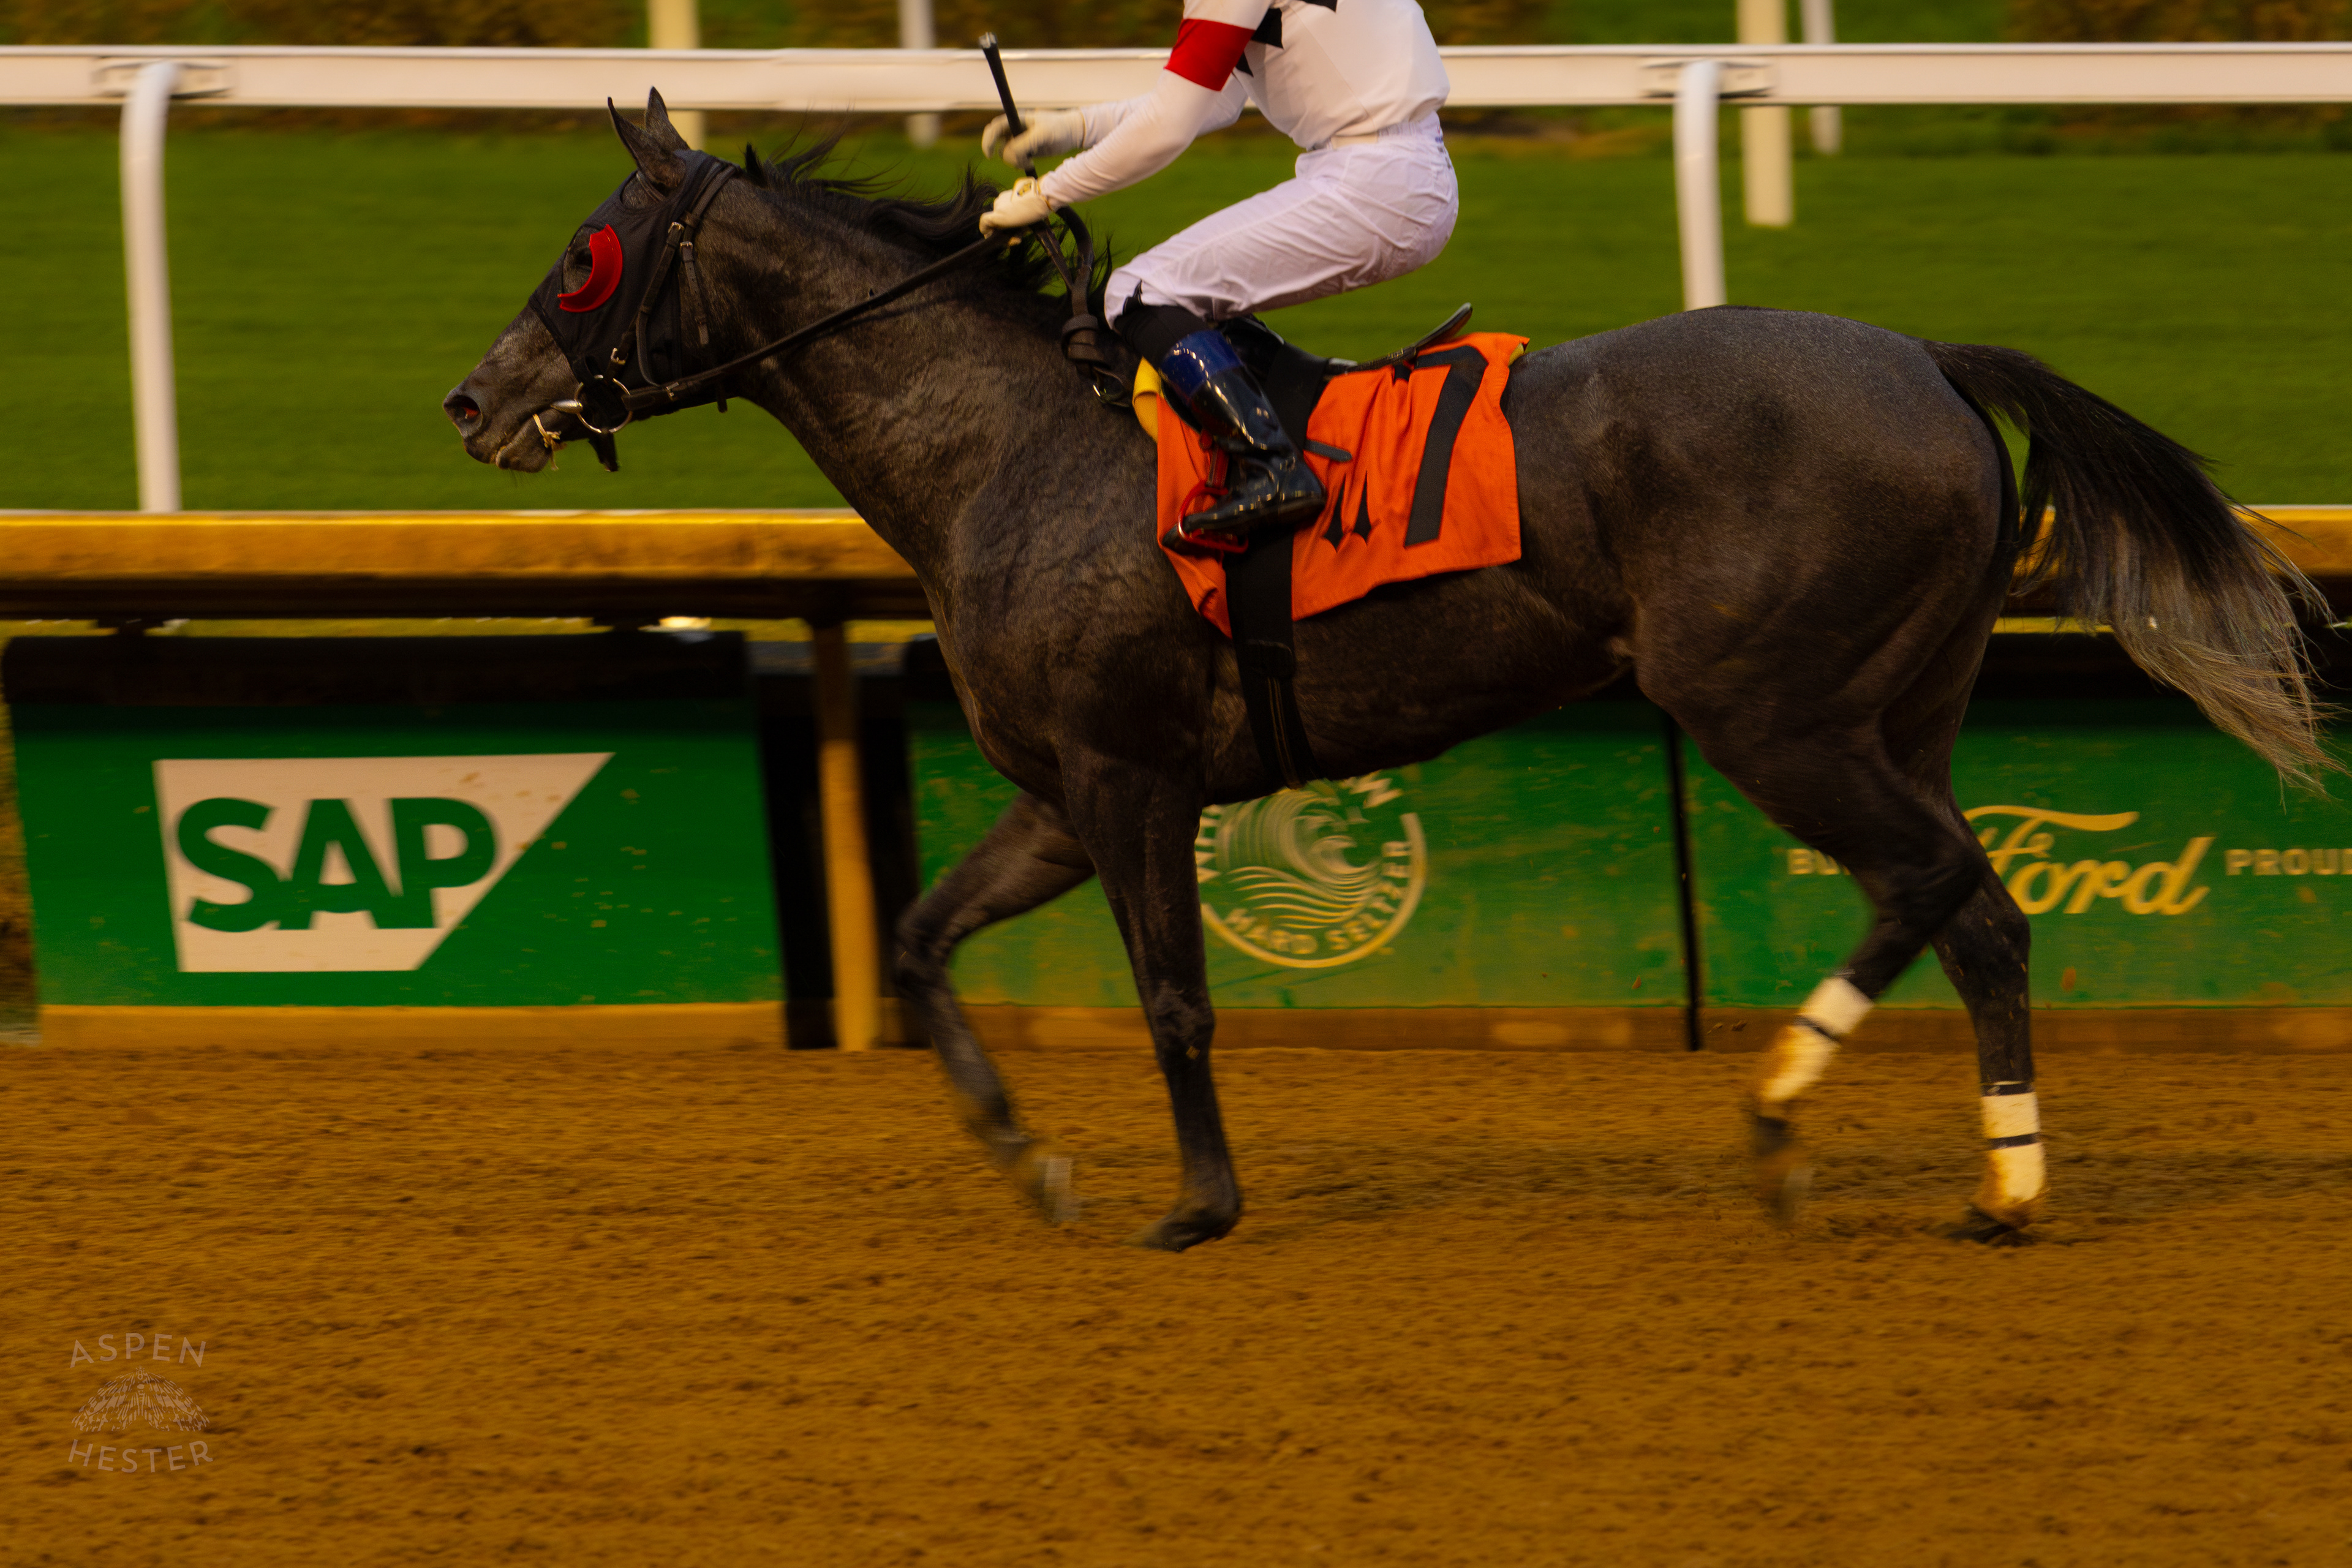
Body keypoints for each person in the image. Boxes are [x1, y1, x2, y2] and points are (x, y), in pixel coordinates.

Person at [979, 0, 1457, 545]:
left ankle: (1274, 466)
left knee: (1137, 294)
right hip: (1399, 168)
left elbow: (1170, 125)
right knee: (1183, 292)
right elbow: (1217, 101)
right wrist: (1075, 127)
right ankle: (1288, 421)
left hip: (1376, 181)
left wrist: (1048, 194)